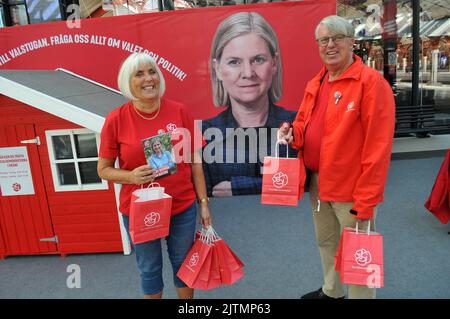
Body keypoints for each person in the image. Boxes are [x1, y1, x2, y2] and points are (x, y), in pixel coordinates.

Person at [278, 15, 395, 299]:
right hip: (318, 184)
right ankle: (332, 292)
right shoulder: (316, 82)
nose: (329, 45)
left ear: (352, 42)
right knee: (327, 241)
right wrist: (293, 132)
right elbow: (304, 124)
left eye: (336, 38)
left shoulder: (371, 83)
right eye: (323, 40)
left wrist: (367, 199)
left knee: (359, 256)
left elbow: (378, 149)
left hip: (352, 189)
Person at [97, 52, 212, 299]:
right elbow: (103, 169)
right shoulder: (115, 119)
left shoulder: (180, 111)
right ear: (128, 81)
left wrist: (203, 203)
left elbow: (195, 163)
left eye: (152, 72)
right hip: (141, 209)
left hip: (181, 205)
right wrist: (131, 177)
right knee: (149, 269)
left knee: (184, 264)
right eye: (139, 74)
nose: (148, 78)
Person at [202, 11, 297, 197]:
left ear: (274, 63)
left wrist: (237, 187)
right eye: (234, 62)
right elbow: (203, 194)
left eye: (258, 60)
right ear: (218, 69)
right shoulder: (205, 134)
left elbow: (303, 183)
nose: (248, 72)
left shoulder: (298, 124)